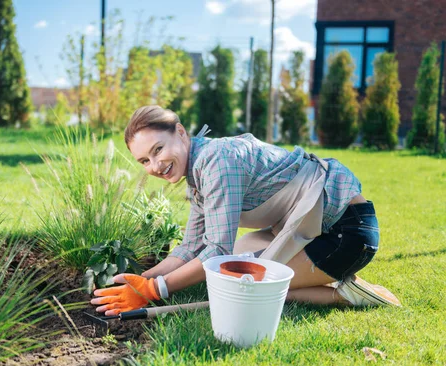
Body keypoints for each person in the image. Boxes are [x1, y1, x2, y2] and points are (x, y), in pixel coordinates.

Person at [91, 105, 401, 316]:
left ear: (181, 133)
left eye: (158, 149)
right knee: (231, 271)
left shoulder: (216, 161)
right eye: (144, 161)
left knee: (248, 289)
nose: (155, 165)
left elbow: (215, 250)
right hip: (318, 231)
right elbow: (191, 247)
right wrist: (143, 278)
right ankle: (327, 277)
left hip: (346, 234)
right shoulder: (197, 176)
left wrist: (156, 289)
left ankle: (346, 294)